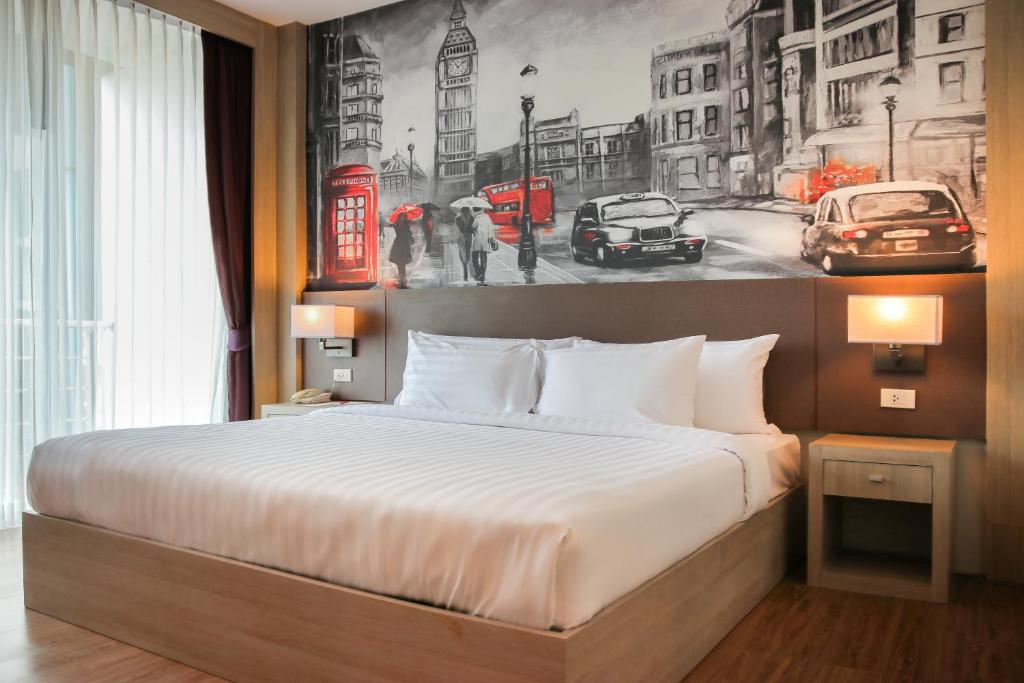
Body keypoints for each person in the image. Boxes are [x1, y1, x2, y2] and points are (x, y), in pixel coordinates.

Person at [470, 207, 497, 286]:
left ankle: (478, 272)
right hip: (485, 240)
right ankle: (482, 274)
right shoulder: (487, 217)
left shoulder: (476, 218)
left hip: (478, 239)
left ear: (476, 211)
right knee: (483, 257)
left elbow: (473, 227)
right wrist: (491, 238)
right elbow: (491, 229)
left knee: (474, 257)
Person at [389, 213, 414, 289]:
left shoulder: (405, 225)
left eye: (404, 216)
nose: (403, 218)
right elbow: (403, 233)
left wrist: (410, 236)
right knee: (400, 264)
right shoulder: (397, 225)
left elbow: (408, 234)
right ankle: (403, 282)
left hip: (404, 246)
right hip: (399, 246)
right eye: (402, 216)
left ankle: (403, 282)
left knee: (402, 265)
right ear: (399, 217)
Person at [455, 206, 476, 282]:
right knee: (467, 251)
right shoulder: (472, 218)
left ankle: (464, 266)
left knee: (461, 251)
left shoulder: (458, 218)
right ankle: (465, 263)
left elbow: (458, 227)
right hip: (469, 236)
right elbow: (473, 229)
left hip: (462, 236)